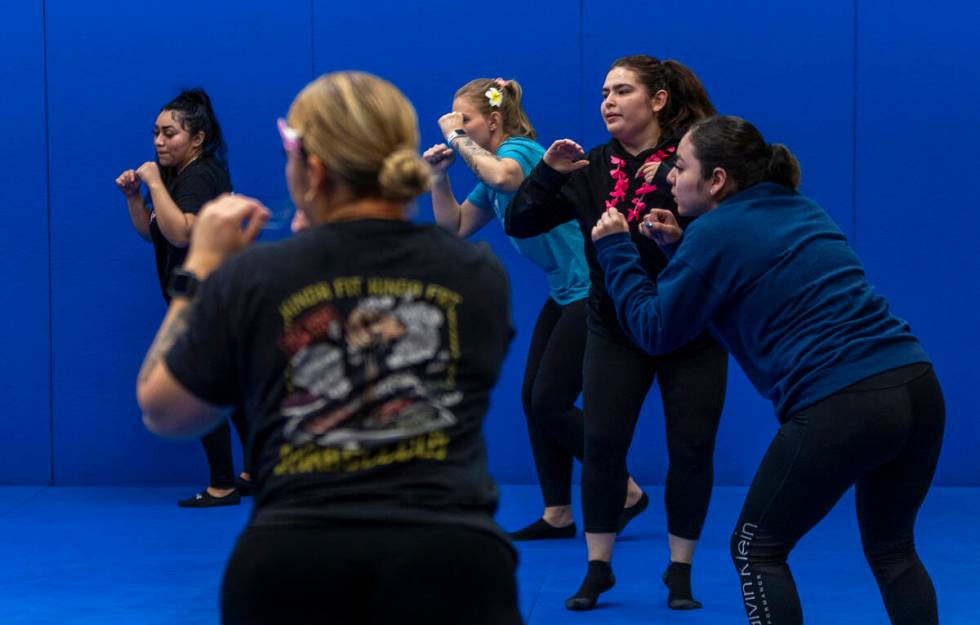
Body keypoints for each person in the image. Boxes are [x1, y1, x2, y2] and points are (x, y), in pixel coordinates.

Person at [135, 71, 522, 625]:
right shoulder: (477, 274)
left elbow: (164, 409)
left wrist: (200, 268)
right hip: (454, 565)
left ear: (311, 169)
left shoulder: (258, 277)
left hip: (295, 563)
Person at [592, 114, 944, 625]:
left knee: (756, 549)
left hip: (844, 401)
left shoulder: (712, 233)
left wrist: (616, 251)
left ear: (716, 181)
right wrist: (678, 252)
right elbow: (745, 291)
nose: (670, 175)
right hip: (916, 385)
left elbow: (654, 331)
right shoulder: (798, 206)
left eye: (681, 166)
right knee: (893, 550)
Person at [506, 55, 728, 610]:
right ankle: (597, 568)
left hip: (689, 327)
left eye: (622, 90)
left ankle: (680, 571)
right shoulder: (588, 165)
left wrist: (685, 230)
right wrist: (549, 173)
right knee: (603, 445)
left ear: (657, 101)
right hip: (615, 326)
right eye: (603, 91)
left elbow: (731, 225)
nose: (607, 100)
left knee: (692, 449)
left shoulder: (692, 157)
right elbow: (520, 222)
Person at [424, 78, 639, 540]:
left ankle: (625, 488)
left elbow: (504, 177)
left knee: (549, 403)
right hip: (564, 290)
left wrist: (455, 139)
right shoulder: (491, 173)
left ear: (494, 121)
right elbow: (455, 227)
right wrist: (439, 178)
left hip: (592, 291)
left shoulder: (519, 151)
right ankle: (557, 514)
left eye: (465, 119)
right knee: (534, 401)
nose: (456, 126)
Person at [115, 88, 249, 507]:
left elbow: (184, 232)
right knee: (232, 388)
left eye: (169, 133)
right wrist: (136, 199)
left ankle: (222, 485)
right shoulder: (179, 176)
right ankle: (254, 471)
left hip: (207, 296)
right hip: (206, 296)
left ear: (198, 138)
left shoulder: (200, 175)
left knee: (198, 383)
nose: (158, 141)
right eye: (155, 133)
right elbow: (155, 233)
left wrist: (153, 180)